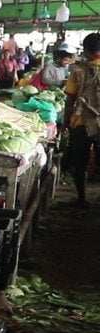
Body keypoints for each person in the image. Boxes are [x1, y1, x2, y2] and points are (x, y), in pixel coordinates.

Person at [61, 32, 100, 208]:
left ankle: (82, 199)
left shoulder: (78, 70)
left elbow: (70, 100)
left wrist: (65, 122)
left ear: (86, 51)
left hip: (81, 122)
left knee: (80, 163)